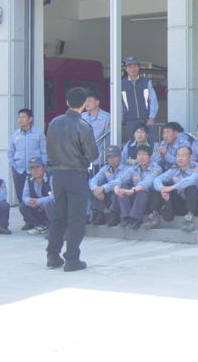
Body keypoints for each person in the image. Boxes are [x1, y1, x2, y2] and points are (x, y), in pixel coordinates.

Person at [45, 87, 99, 272]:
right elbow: (92, 154)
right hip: (77, 173)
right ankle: (72, 258)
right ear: (84, 104)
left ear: (67, 102)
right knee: (76, 218)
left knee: (58, 215)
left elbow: (48, 148)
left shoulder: (54, 122)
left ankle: (52, 255)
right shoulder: (83, 126)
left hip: (57, 174)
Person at [147, 146, 198, 233]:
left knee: (190, 187)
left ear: (190, 157)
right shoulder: (174, 169)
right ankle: (154, 217)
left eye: (183, 155)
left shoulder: (197, 169)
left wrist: (171, 188)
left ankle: (189, 220)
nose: (180, 158)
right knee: (161, 188)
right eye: (178, 156)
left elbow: (189, 181)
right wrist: (162, 189)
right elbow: (157, 180)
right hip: (182, 203)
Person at [7, 108, 47, 228]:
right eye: (19, 117)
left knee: (36, 194)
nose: (20, 119)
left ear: (30, 119)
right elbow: (10, 152)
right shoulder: (14, 135)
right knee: (22, 197)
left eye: (23, 117)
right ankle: (29, 221)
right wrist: (13, 165)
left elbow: (44, 151)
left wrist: (43, 166)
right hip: (19, 170)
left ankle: (41, 220)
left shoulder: (38, 133)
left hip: (34, 171)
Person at [113, 145, 162, 230]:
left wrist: (133, 190)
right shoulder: (134, 168)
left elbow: (147, 182)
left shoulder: (156, 168)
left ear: (150, 157)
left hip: (150, 200)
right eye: (139, 154)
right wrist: (116, 188)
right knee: (122, 187)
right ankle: (127, 218)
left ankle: (136, 219)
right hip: (136, 198)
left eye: (144, 154)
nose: (141, 157)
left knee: (142, 190)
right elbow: (121, 178)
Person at [81, 91, 111, 223]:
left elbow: (110, 137)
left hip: (99, 158)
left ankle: (99, 213)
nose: (86, 103)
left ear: (97, 102)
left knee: (97, 185)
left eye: (89, 101)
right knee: (84, 186)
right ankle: (87, 212)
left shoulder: (107, 117)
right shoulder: (81, 117)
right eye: (85, 101)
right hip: (83, 159)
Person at [122, 55, 159, 143]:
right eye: (130, 67)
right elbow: (118, 104)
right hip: (130, 120)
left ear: (138, 67)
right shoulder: (121, 84)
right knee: (134, 145)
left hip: (146, 120)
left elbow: (153, 100)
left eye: (134, 66)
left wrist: (151, 118)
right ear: (126, 69)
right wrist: (120, 119)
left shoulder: (146, 82)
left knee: (150, 144)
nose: (132, 69)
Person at [89, 145, 127, 226]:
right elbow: (94, 180)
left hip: (121, 197)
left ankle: (115, 216)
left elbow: (118, 182)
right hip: (109, 195)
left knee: (120, 187)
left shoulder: (126, 168)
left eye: (114, 157)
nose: (112, 160)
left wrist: (103, 188)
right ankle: (99, 214)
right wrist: (95, 189)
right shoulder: (105, 168)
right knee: (97, 187)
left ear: (120, 156)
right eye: (109, 157)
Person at [20, 157, 55, 235]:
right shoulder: (28, 179)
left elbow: (55, 196)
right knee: (23, 206)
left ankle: (53, 226)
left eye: (38, 167)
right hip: (38, 207)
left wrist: (39, 201)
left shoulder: (51, 178)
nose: (35, 170)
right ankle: (41, 225)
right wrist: (29, 201)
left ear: (43, 167)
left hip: (50, 208)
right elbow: (24, 196)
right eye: (32, 168)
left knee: (49, 203)